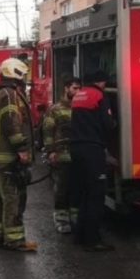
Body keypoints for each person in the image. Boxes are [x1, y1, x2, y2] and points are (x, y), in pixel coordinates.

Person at [0, 59, 37, 252]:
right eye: (24, 74)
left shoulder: (0, 93)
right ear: (16, 73)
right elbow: (11, 123)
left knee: (0, 200)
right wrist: (21, 148)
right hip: (5, 157)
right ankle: (15, 239)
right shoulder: (10, 94)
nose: (25, 79)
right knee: (13, 199)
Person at [70, 70, 117, 252]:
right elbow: (108, 124)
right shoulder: (99, 95)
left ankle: (80, 235)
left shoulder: (79, 95)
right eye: (104, 82)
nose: (105, 85)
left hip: (76, 149)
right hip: (92, 150)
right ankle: (93, 240)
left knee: (83, 193)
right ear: (99, 82)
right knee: (96, 196)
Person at [42, 76, 82, 234]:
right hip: (61, 154)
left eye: (79, 88)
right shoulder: (55, 109)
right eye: (75, 88)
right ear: (66, 88)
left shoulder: (81, 108)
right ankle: (61, 219)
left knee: (77, 187)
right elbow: (48, 131)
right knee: (62, 189)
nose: (78, 91)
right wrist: (50, 151)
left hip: (77, 154)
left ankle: (75, 218)